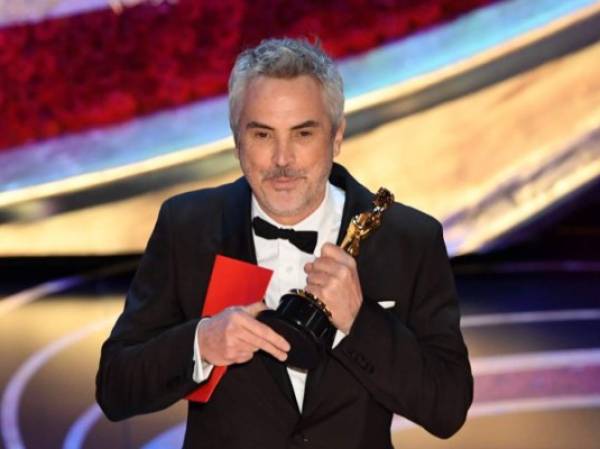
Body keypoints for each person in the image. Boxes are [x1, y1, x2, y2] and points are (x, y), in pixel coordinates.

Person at [96, 37, 472, 449]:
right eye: (262, 135)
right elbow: (116, 387)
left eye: (303, 134)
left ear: (337, 136)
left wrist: (359, 322)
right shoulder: (186, 228)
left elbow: (447, 407)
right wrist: (202, 343)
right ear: (237, 140)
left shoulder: (406, 239)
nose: (282, 159)